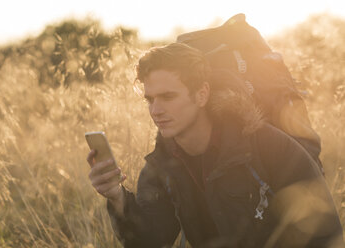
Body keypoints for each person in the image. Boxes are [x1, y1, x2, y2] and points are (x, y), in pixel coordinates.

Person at [87, 43, 344, 248]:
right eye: (150, 99)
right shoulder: (161, 166)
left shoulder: (270, 147)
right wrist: (117, 196)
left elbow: (325, 236)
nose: (156, 110)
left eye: (168, 96)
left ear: (202, 94)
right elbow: (150, 241)